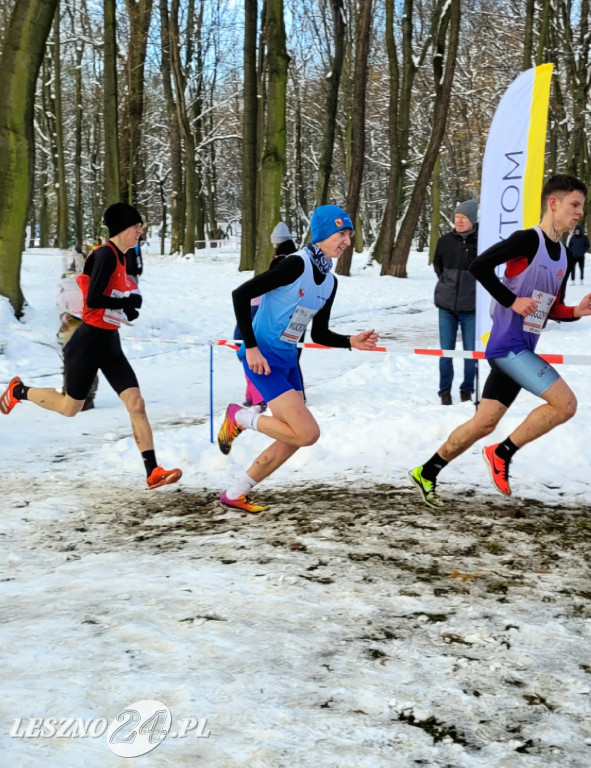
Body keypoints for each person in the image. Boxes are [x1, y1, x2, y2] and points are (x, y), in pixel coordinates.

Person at [409, 174, 591, 507]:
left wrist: (576, 310)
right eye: (574, 205)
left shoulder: (563, 256)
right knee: (566, 405)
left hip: (522, 350)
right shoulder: (527, 240)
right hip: (507, 348)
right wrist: (511, 300)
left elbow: (551, 310)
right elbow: (480, 266)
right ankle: (501, 453)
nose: (580, 212)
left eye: (582, 206)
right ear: (554, 203)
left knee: (484, 422)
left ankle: (428, 471)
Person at [1, 202, 182, 490]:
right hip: (87, 343)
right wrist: (125, 302)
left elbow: (110, 299)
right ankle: (18, 391)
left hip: (109, 341)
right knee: (70, 408)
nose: (141, 232)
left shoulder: (122, 258)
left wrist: (128, 309)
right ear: (123, 228)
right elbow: (95, 300)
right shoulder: (106, 256)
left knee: (136, 403)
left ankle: (152, 470)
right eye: (137, 227)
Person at [216, 204, 378, 512]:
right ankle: (239, 416)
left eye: (349, 234)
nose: (346, 241)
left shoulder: (330, 282)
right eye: (340, 233)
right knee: (308, 433)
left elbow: (319, 334)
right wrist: (250, 347)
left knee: (293, 438)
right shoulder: (294, 265)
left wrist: (351, 342)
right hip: (261, 358)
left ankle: (236, 493)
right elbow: (240, 294)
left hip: (288, 360)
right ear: (322, 234)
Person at [433, 199, 479, 405]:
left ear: (473, 219)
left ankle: (467, 389)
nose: (459, 221)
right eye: (456, 217)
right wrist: (447, 285)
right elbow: (438, 267)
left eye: (464, 217)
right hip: (446, 307)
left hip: (471, 309)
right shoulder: (444, 241)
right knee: (446, 353)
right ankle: (444, 391)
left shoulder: (483, 242)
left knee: (471, 354)